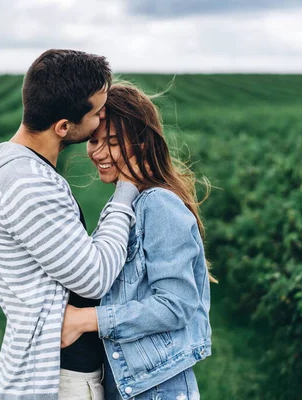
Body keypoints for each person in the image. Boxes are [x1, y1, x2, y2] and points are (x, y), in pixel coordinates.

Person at [0, 50, 140, 399]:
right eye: (97, 112)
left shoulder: (29, 174)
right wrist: (127, 190)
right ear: (63, 127)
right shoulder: (26, 184)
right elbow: (94, 275)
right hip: (57, 378)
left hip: (63, 371)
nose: (102, 118)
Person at [61, 83, 216, 399]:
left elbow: (176, 305)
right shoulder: (128, 202)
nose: (99, 152)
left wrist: (86, 320)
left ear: (142, 144)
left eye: (114, 142)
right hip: (132, 384)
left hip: (157, 388)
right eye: (94, 140)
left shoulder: (158, 204)